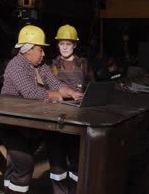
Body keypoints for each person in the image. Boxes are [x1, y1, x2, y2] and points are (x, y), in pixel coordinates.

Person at [0, 25, 83, 194]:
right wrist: (55, 96)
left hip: (28, 124)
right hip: (12, 124)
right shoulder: (16, 66)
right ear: (27, 49)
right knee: (24, 165)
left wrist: (73, 93)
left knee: (14, 166)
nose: (44, 54)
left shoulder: (40, 66)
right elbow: (30, 92)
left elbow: (56, 84)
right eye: (40, 50)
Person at [47, 24, 95, 194]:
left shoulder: (83, 65)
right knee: (57, 161)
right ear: (57, 45)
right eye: (61, 44)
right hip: (58, 116)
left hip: (78, 116)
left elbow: (92, 87)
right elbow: (48, 90)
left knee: (77, 159)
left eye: (68, 44)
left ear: (75, 45)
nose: (65, 48)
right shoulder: (52, 66)